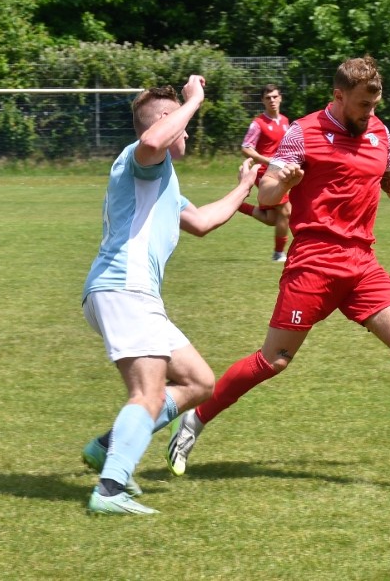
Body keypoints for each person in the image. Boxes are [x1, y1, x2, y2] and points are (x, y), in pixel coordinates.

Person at [167, 56, 390, 477]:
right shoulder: (302, 132)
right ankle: (195, 418)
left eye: (375, 104)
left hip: (362, 264)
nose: (370, 113)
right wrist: (286, 181)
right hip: (314, 263)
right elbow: (270, 193)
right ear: (338, 95)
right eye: (363, 105)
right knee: (273, 360)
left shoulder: (379, 132)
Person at [81, 76, 259, 515]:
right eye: (182, 120)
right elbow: (151, 138)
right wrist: (194, 98)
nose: (188, 131)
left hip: (132, 294)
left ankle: (109, 446)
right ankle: (109, 490)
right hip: (124, 288)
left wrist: (244, 186)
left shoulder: (164, 176)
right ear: (167, 120)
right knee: (148, 392)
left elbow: (201, 222)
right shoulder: (143, 156)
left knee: (199, 381)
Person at [237, 83, 292, 261]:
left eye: (275, 97)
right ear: (262, 100)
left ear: (281, 98)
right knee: (286, 211)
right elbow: (246, 148)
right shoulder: (258, 123)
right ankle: (278, 254)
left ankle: (238, 205)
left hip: (280, 170)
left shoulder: (284, 121)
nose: (272, 100)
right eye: (268, 98)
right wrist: (267, 160)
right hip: (265, 172)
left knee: (271, 218)